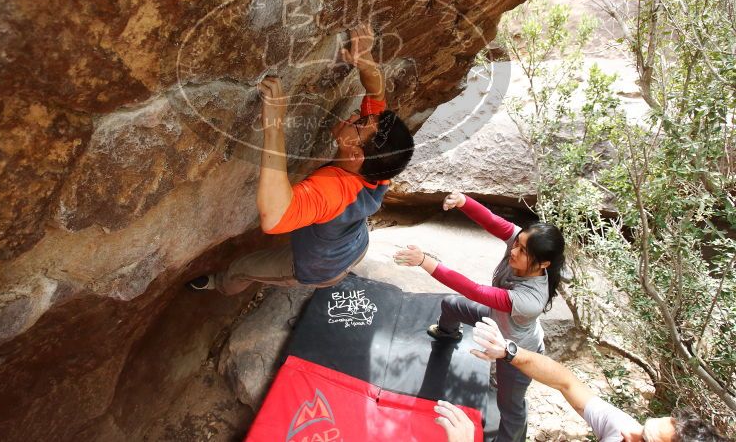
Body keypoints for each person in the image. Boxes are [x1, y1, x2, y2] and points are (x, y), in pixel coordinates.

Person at [188, 24, 414, 294]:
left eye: (360, 122)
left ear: (355, 153)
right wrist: (364, 60)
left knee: (243, 266)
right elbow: (376, 95)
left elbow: (274, 218)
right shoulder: (380, 164)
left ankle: (221, 285)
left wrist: (273, 126)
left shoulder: (335, 191)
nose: (355, 115)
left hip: (318, 267)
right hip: (355, 246)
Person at [393, 191, 566, 442]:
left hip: (513, 350)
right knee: (451, 305)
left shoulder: (531, 300)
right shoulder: (522, 243)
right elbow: (493, 222)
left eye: (523, 250)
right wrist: (464, 202)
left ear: (543, 264)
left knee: (510, 406)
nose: (514, 250)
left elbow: (475, 291)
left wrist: (424, 261)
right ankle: (447, 332)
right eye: (517, 243)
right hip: (495, 320)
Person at [469, 318, 728, 442]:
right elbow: (566, 382)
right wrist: (508, 351)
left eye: (645, 441)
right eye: (644, 426)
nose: (628, 431)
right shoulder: (627, 430)